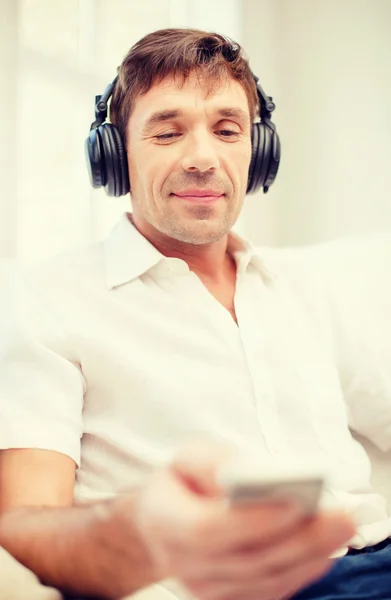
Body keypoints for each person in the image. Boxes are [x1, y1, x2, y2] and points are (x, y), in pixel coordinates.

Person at [0, 27, 390, 600]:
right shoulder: (47, 300)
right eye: (167, 131)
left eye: (227, 130)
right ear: (114, 155)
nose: (204, 158)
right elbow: (24, 524)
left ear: (258, 151)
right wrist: (138, 537)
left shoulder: (307, 288)